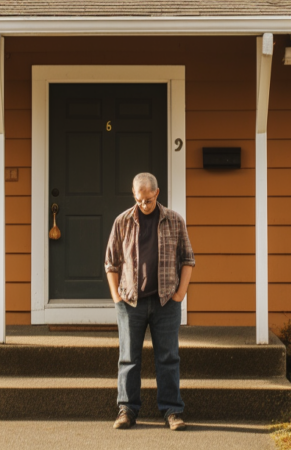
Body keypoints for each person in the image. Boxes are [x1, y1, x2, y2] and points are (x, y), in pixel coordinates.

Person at [104, 172, 196, 431]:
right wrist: (116, 297)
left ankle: (172, 411)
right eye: (139, 199)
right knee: (129, 358)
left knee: (168, 357)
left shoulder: (175, 221)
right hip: (130, 302)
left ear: (157, 193)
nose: (144, 205)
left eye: (149, 199)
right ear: (134, 194)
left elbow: (188, 259)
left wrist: (180, 294)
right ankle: (127, 410)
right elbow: (110, 263)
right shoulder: (122, 222)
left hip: (165, 301)